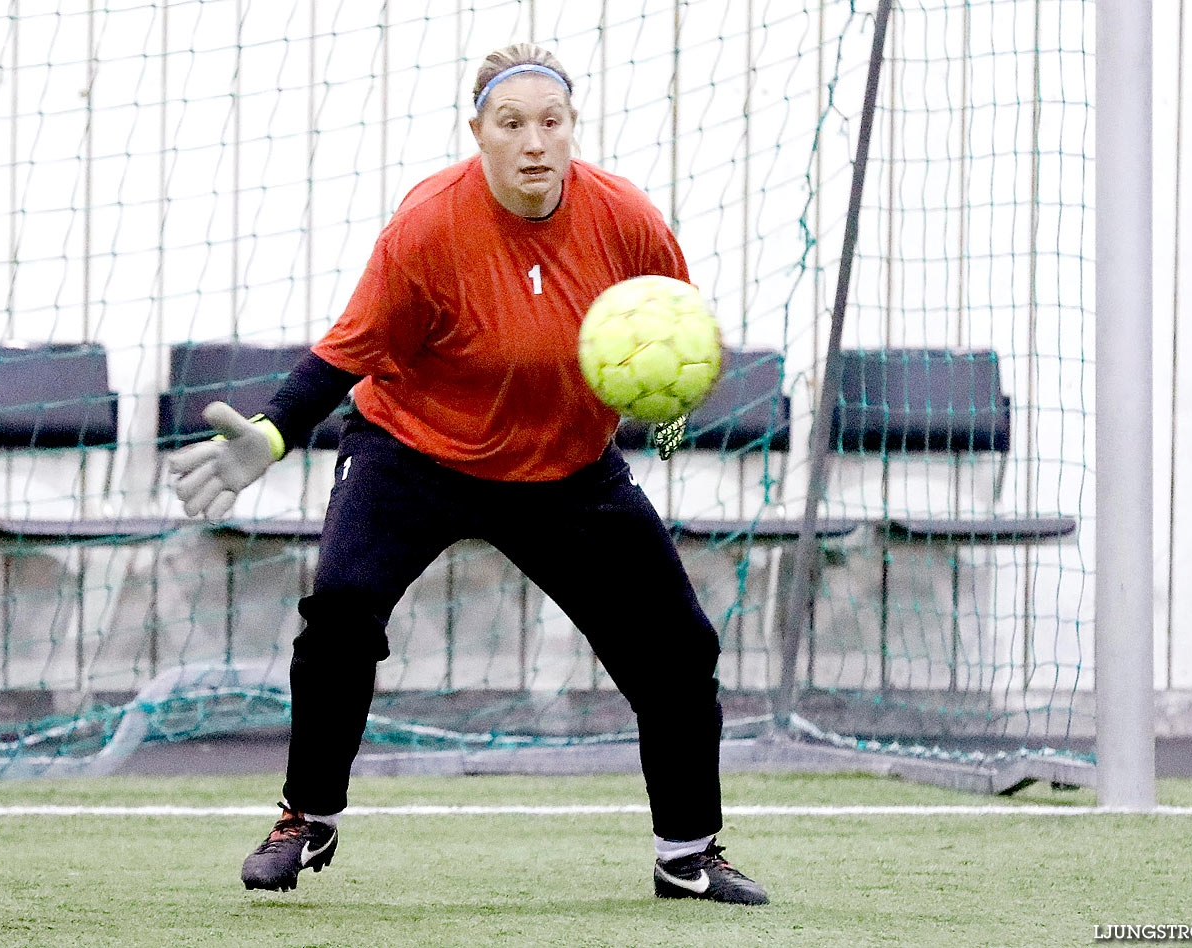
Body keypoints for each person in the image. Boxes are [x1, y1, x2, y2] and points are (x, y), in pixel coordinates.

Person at [168, 43, 768, 906]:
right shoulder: (428, 224)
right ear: (478, 132)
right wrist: (271, 434)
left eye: (551, 123)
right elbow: (345, 353)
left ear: (572, 130)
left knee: (678, 650)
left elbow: (670, 335)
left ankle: (689, 854)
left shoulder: (626, 217)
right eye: (512, 123)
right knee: (340, 609)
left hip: (567, 469)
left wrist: (670, 420)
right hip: (412, 451)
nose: (534, 142)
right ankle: (307, 817)